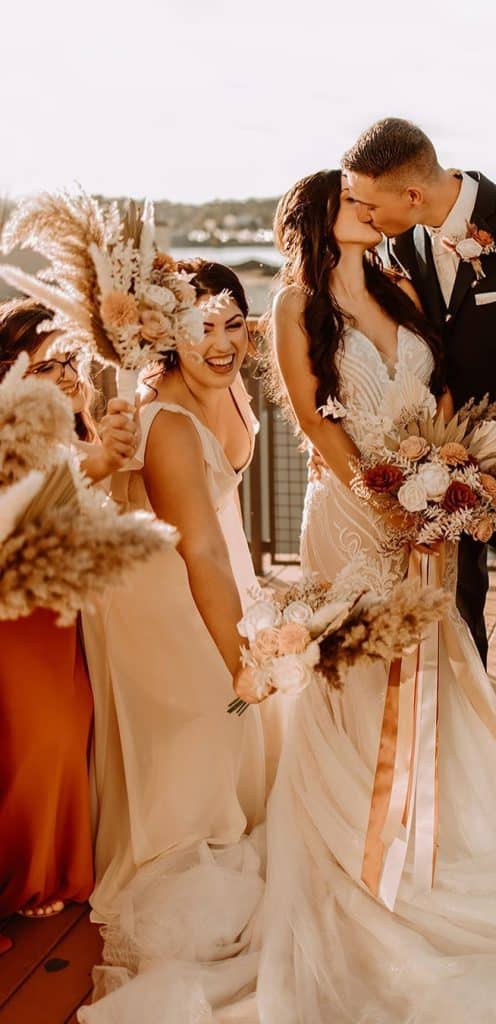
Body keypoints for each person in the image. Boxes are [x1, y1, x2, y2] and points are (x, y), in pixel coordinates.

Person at [242, 169, 496, 1024]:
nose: (372, 213)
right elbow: (313, 420)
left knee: (436, 655)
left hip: (431, 507)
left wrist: (449, 474)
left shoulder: (398, 282)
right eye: (355, 204)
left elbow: (442, 385)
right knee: (363, 665)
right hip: (353, 510)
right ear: (320, 217)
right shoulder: (292, 305)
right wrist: (385, 496)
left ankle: (450, 837)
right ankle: (365, 841)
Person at [342, 118, 496, 863]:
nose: (366, 216)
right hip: (432, 485)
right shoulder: (402, 244)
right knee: (458, 632)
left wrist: (494, 454)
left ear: (412, 192)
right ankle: (476, 805)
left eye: (370, 203)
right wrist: (436, 464)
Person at [82, 262, 268, 920]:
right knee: (214, 727)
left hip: (214, 574)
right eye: (199, 329)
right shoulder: (165, 423)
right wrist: (245, 658)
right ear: (168, 338)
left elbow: (222, 535)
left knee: (252, 734)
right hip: (165, 601)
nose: (220, 344)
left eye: (234, 325)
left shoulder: (232, 387)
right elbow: (199, 547)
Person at [0, 299, 136, 946]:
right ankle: (14, 880)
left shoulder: (62, 421)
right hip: (13, 609)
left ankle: (50, 872)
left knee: (70, 725)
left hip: (60, 606)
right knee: (34, 741)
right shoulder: (8, 429)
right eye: (48, 363)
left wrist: (85, 413)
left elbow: (83, 479)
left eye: (70, 361)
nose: (63, 375)